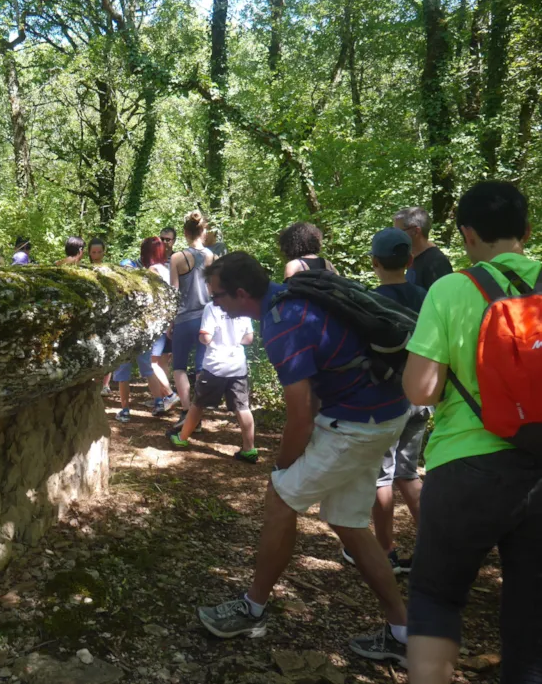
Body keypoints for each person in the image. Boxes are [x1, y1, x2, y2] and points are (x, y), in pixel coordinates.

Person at [197, 251, 411, 666]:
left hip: (356, 422)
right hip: (383, 411)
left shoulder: (283, 325)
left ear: (242, 294)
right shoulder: (292, 297)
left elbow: (301, 412)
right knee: (349, 523)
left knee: (280, 498)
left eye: (219, 296)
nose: (216, 304)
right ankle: (402, 632)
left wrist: (280, 467)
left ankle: (252, 608)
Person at [402, 181, 542, 684]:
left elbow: (420, 389)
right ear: (527, 230)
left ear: (466, 235)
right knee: (532, 619)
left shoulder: (452, 289)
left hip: (466, 465)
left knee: (436, 596)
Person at [340, 228, 427, 574]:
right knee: (409, 473)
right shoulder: (426, 296)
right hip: (421, 395)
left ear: (373, 261)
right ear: (409, 260)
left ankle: (385, 549)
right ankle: (431, 548)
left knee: (382, 477)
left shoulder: (370, 301)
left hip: (387, 401)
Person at [167, 286, 258, 464]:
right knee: (242, 407)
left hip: (215, 365)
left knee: (198, 404)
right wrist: (233, 341)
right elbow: (249, 339)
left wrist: (211, 340)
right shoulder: (243, 305)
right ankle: (250, 449)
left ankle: (182, 438)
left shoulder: (212, 307)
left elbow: (206, 338)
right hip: (237, 365)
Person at [169, 211, 215, 425]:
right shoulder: (211, 257)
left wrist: (169, 321)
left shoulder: (177, 258)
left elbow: (174, 293)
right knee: (200, 367)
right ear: (203, 231)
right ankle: (198, 414)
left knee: (179, 366)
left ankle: (187, 412)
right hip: (206, 318)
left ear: (185, 233)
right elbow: (214, 291)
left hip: (183, 319)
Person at [139, 236, 180, 416]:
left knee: (151, 363)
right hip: (171, 321)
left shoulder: (152, 270)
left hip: (158, 323)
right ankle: (162, 399)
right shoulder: (167, 269)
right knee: (163, 362)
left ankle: (169, 394)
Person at [393, 207, 454, 290]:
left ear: (416, 231)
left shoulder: (437, 263)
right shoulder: (413, 257)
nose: (394, 236)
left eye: (398, 232)